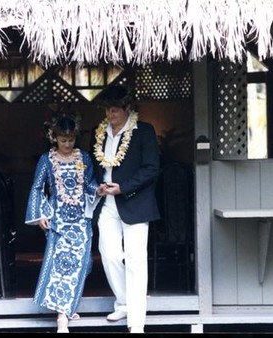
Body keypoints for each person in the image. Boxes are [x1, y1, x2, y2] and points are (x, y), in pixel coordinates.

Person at [91, 85, 160, 334]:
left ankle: (137, 322)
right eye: (107, 109)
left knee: (135, 259)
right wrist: (98, 187)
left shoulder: (144, 131)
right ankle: (124, 302)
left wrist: (124, 188)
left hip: (135, 201)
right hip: (107, 202)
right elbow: (96, 166)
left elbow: (152, 168)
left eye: (115, 109)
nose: (110, 114)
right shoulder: (98, 132)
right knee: (108, 253)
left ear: (127, 108)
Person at [24, 113, 100, 333]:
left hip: (81, 220)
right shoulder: (46, 160)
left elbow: (89, 184)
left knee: (83, 263)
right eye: (63, 140)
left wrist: (99, 189)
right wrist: (40, 215)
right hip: (58, 220)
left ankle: (67, 304)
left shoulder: (84, 158)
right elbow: (38, 188)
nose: (67, 144)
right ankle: (62, 316)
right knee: (61, 264)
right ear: (54, 138)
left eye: (71, 140)